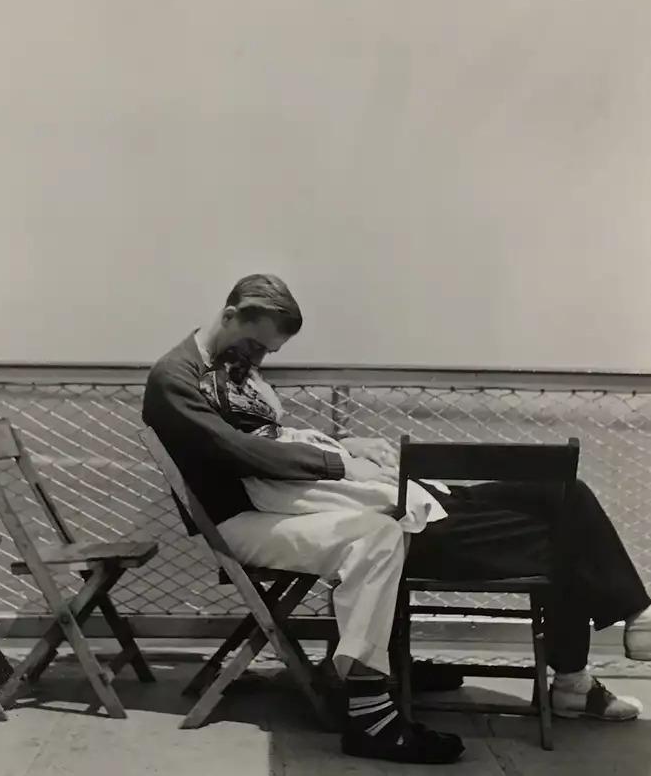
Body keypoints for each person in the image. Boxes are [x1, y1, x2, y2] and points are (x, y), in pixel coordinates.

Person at [143, 273, 651, 763]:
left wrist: (343, 445)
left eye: (266, 354)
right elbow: (238, 452)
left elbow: (271, 438)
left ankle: (632, 621)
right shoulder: (177, 377)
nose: (259, 360)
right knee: (537, 536)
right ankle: (385, 702)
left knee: (562, 495)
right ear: (231, 314)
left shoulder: (230, 366)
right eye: (257, 347)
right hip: (250, 517)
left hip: (303, 498)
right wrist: (340, 462)